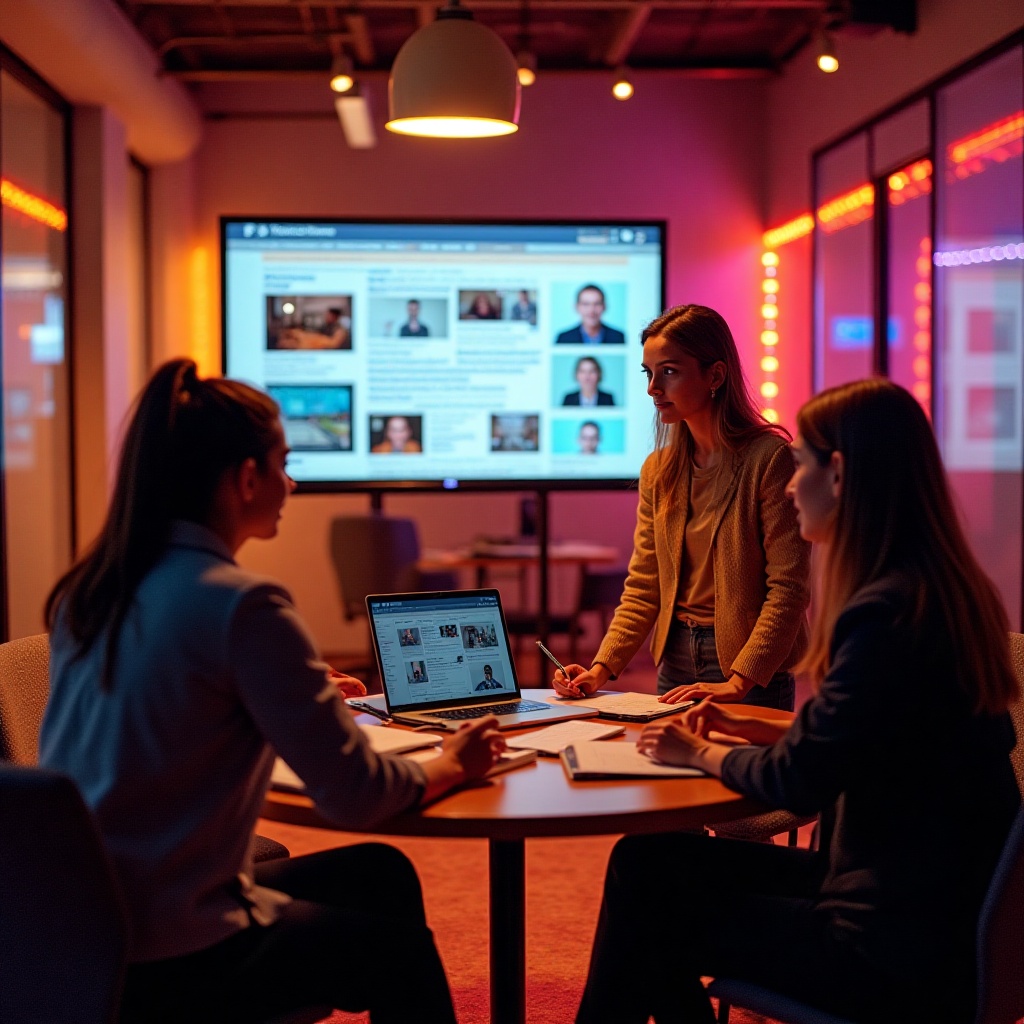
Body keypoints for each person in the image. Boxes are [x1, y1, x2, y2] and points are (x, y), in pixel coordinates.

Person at [39, 359, 505, 1024]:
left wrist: (298, 693)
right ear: (247, 479)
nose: (291, 482)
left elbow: (176, 705)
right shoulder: (242, 604)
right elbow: (356, 793)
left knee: (381, 876)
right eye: (285, 464)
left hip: (89, 925)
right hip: (178, 950)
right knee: (399, 952)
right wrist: (451, 761)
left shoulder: (91, 590)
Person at [575, 378, 1021, 1024]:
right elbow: (854, 741)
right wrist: (750, 729)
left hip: (886, 952)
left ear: (837, 475)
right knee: (646, 861)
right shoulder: (939, 592)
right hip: (929, 913)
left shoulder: (884, 618)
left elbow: (800, 780)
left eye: (801, 463)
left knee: (649, 898)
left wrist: (697, 752)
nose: (788, 484)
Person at [552, 304, 810, 710]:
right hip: (674, 658)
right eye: (648, 373)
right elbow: (643, 585)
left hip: (749, 666)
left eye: (668, 371)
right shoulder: (659, 469)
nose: (653, 387)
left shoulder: (770, 458)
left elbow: (789, 590)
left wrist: (739, 681)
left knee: (740, 774)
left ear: (715, 376)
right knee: (668, 771)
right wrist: (599, 669)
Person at [555, 285, 625, 345]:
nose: (591, 310)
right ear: (577, 307)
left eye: (597, 304)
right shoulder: (564, 339)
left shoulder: (619, 337)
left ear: (604, 307)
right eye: (586, 304)